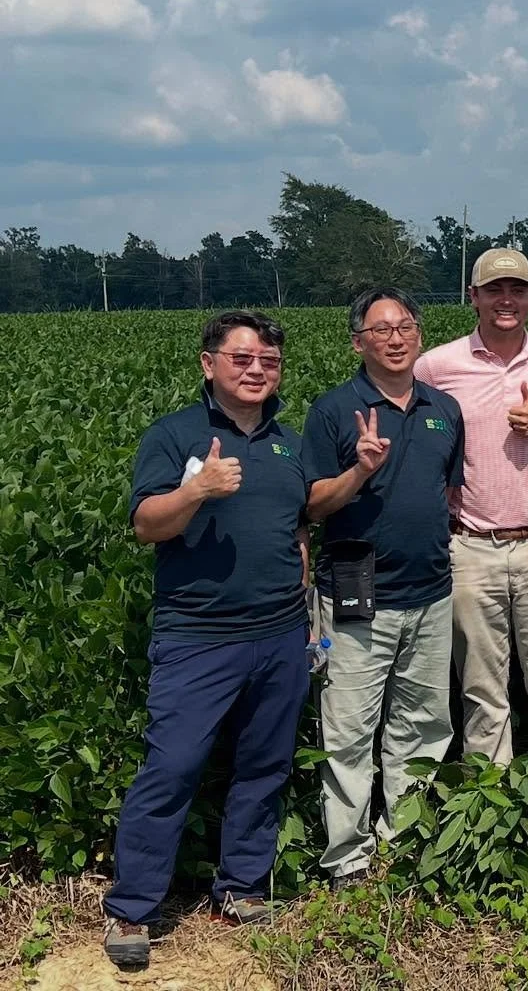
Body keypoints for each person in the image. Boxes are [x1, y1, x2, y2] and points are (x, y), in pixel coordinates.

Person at [103, 311, 310, 968]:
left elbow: (298, 526)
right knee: (172, 767)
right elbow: (145, 525)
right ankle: (132, 910)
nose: (256, 370)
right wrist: (195, 490)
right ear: (208, 363)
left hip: (279, 634)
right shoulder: (175, 436)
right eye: (242, 358)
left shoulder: (290, 442)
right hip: (197, 637)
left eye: (269, 361)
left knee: (264, 765)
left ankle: (241, 888)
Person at [302, 288, 465, 889]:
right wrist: (359, 471)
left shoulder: (444, 408)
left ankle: (407, 839)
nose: (395, 338)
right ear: (358, 342)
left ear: (419, 334)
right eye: (381, 329)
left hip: (431, 591)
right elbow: (313, 504)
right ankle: (348, 856)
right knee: (348, 729)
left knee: (422, 723)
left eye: (405, 326)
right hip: (354, 594)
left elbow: (445, 497)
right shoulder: (333, 410)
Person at [414, 247, 528, 764]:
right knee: (481, 684)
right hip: (470, 545)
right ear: (474, 298)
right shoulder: (437, 366)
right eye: (493, 290)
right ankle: (492, 799)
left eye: (517, 290)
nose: (505, 300)